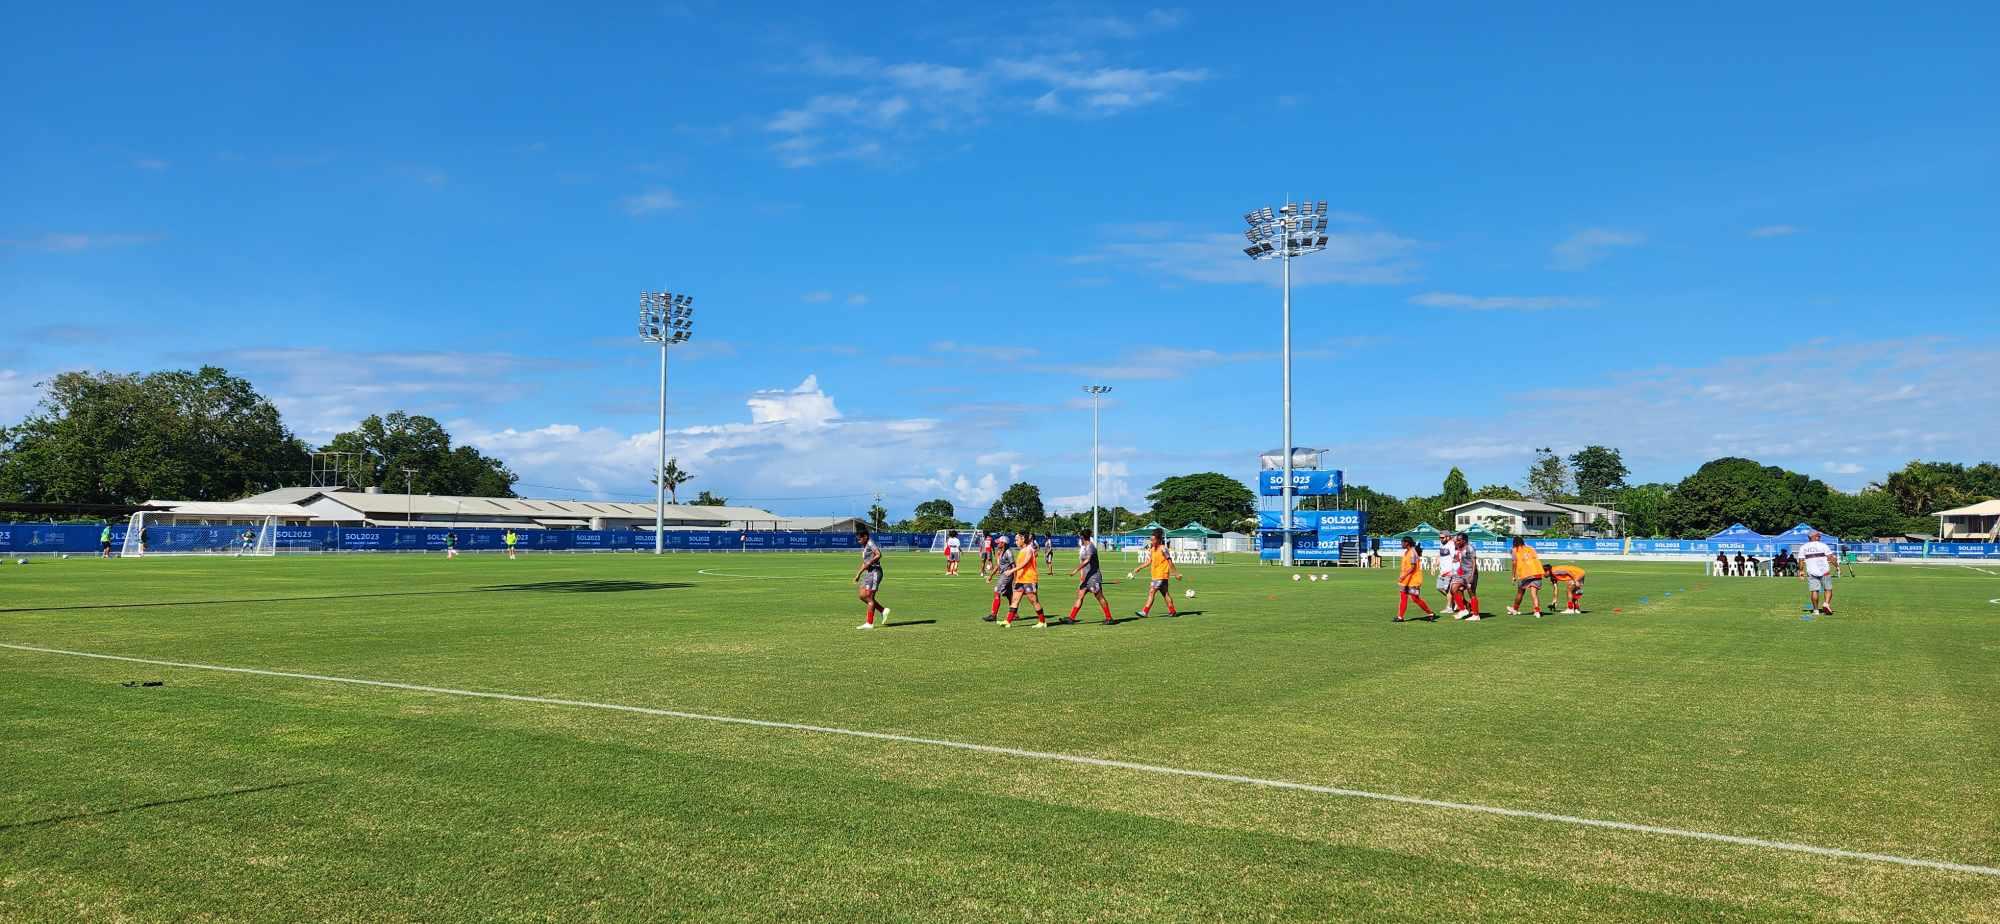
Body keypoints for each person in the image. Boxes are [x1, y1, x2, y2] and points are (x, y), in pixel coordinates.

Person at [1127, 527, 1184, 618]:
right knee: (1165, 593)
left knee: (1152, 591)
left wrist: (1175, 573)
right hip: (1156, 575)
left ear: (1158, 540)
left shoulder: (1163, 549)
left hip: (1161, 574)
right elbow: (1149, 561)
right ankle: (1172, 611)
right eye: (1151, 540)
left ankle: (1145, 611)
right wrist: (1139, 568)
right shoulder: (1152, 549)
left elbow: (1170, 561)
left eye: (1153, 540)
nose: (1151, 541)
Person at [1066, 527, 1114, 625]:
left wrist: (1076, 570)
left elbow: (1087, 560)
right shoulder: (1084, 548)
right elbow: (1084, 561)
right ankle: (1071, 618)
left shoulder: (1091, 547)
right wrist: (1082, 576)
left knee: (1099, 597)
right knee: (1080, 596)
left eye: (1080, 537)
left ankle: (1109, 618)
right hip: (1086, 578)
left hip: (1094, 577)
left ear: (1082, 537)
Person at [1004, 530, 1049, 627]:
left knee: (1034, 601)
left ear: (1023, 539)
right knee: (1015, 600)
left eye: (1017, 539)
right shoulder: (1022, 550)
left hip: (1029, 579)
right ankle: (1008, 621)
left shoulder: (1029, 549)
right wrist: (1016, 577)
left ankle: (1042, 622)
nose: (1015, 542)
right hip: (1020, 580)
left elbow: (1025, 564)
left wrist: (1011, 571)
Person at [852, 524, 890, 629]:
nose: (858, 541)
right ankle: (883, 610)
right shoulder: (865, 546)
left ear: (865, 537)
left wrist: (870, 562)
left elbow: (878, 554)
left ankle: (869, 623)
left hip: (875, 572)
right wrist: (858, 574)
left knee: (869, 597)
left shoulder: (870, 543)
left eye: (859, 539)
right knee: (862, 595)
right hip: (868, 573)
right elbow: (865, 563)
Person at [1394, 536, 1436, 622]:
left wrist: (1403, 576)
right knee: (1403, 597)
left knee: (1415, 598)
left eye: (1402, 542)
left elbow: (1412, 568)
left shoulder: (1412, 553)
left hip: (1413, 580)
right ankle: (1400, 617)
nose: (1401, 544)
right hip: (1405, 580)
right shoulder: (1407, 552)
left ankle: (1430, 613)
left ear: (1407, 543)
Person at [1797, 530, 1835, 615]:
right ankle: (1826, 603)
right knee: (1828, 589)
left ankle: (1815, 610)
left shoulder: (1803, 547)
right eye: (1818, 536)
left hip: (1811, 571)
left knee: (1814, 590)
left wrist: (1801, 571)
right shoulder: (1823, 545)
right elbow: (1830, 557)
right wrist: (1837, 566)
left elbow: (1801, 560)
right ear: (1813, 537)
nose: (1820, 537)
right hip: (1824, 571)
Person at [1507, 536, 1545, 617]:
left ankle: (1515, 609)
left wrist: (1513, 576)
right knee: (1534, 594)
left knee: (1520, 592)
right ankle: (1537, 611)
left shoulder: (1515, 550)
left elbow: (1514, 563)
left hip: (1525, 574)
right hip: (1537, 572)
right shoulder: (1531, 548)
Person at [983, 535, 1015, 623]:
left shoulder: (1008, 552)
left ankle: (993, 615)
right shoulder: (1001, 552)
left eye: (999, 542)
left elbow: (1014, 566)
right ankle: (1014, 614)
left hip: (1006, 576)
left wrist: (1015, 579)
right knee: (1009, 595)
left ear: (1003, 543)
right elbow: (998, 565)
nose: (997, 544)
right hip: (1004, 575)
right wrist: (991, 575)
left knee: (997, 591)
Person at [1451, 533, 1483, 620]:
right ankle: (1463, 610)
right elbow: (1453, 542)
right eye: (1457, 540)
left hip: (1470, 573)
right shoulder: (1459, 547)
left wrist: (1471, 576)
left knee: (1471, 592)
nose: (1457, 542)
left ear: (1464, 541)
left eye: (1459, 540)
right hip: (1462, 573)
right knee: (1453, 589)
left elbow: (1474, 563)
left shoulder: (1470, 548)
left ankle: (1476, 615)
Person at [1435, 531, 1462, 614]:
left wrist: (1454, 569)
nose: (1441, 539)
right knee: (1439, 588)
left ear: (1448, 537)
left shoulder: (1451, 545)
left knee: (1447, 590)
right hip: (1442, 571)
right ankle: (1455, 601)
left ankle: (1449, 607)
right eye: (1440, 537)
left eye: (1442, 537)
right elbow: (1439, 555)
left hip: (1449, 571)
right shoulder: (1441, 544)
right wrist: (1435, 565)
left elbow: (1455, 557)